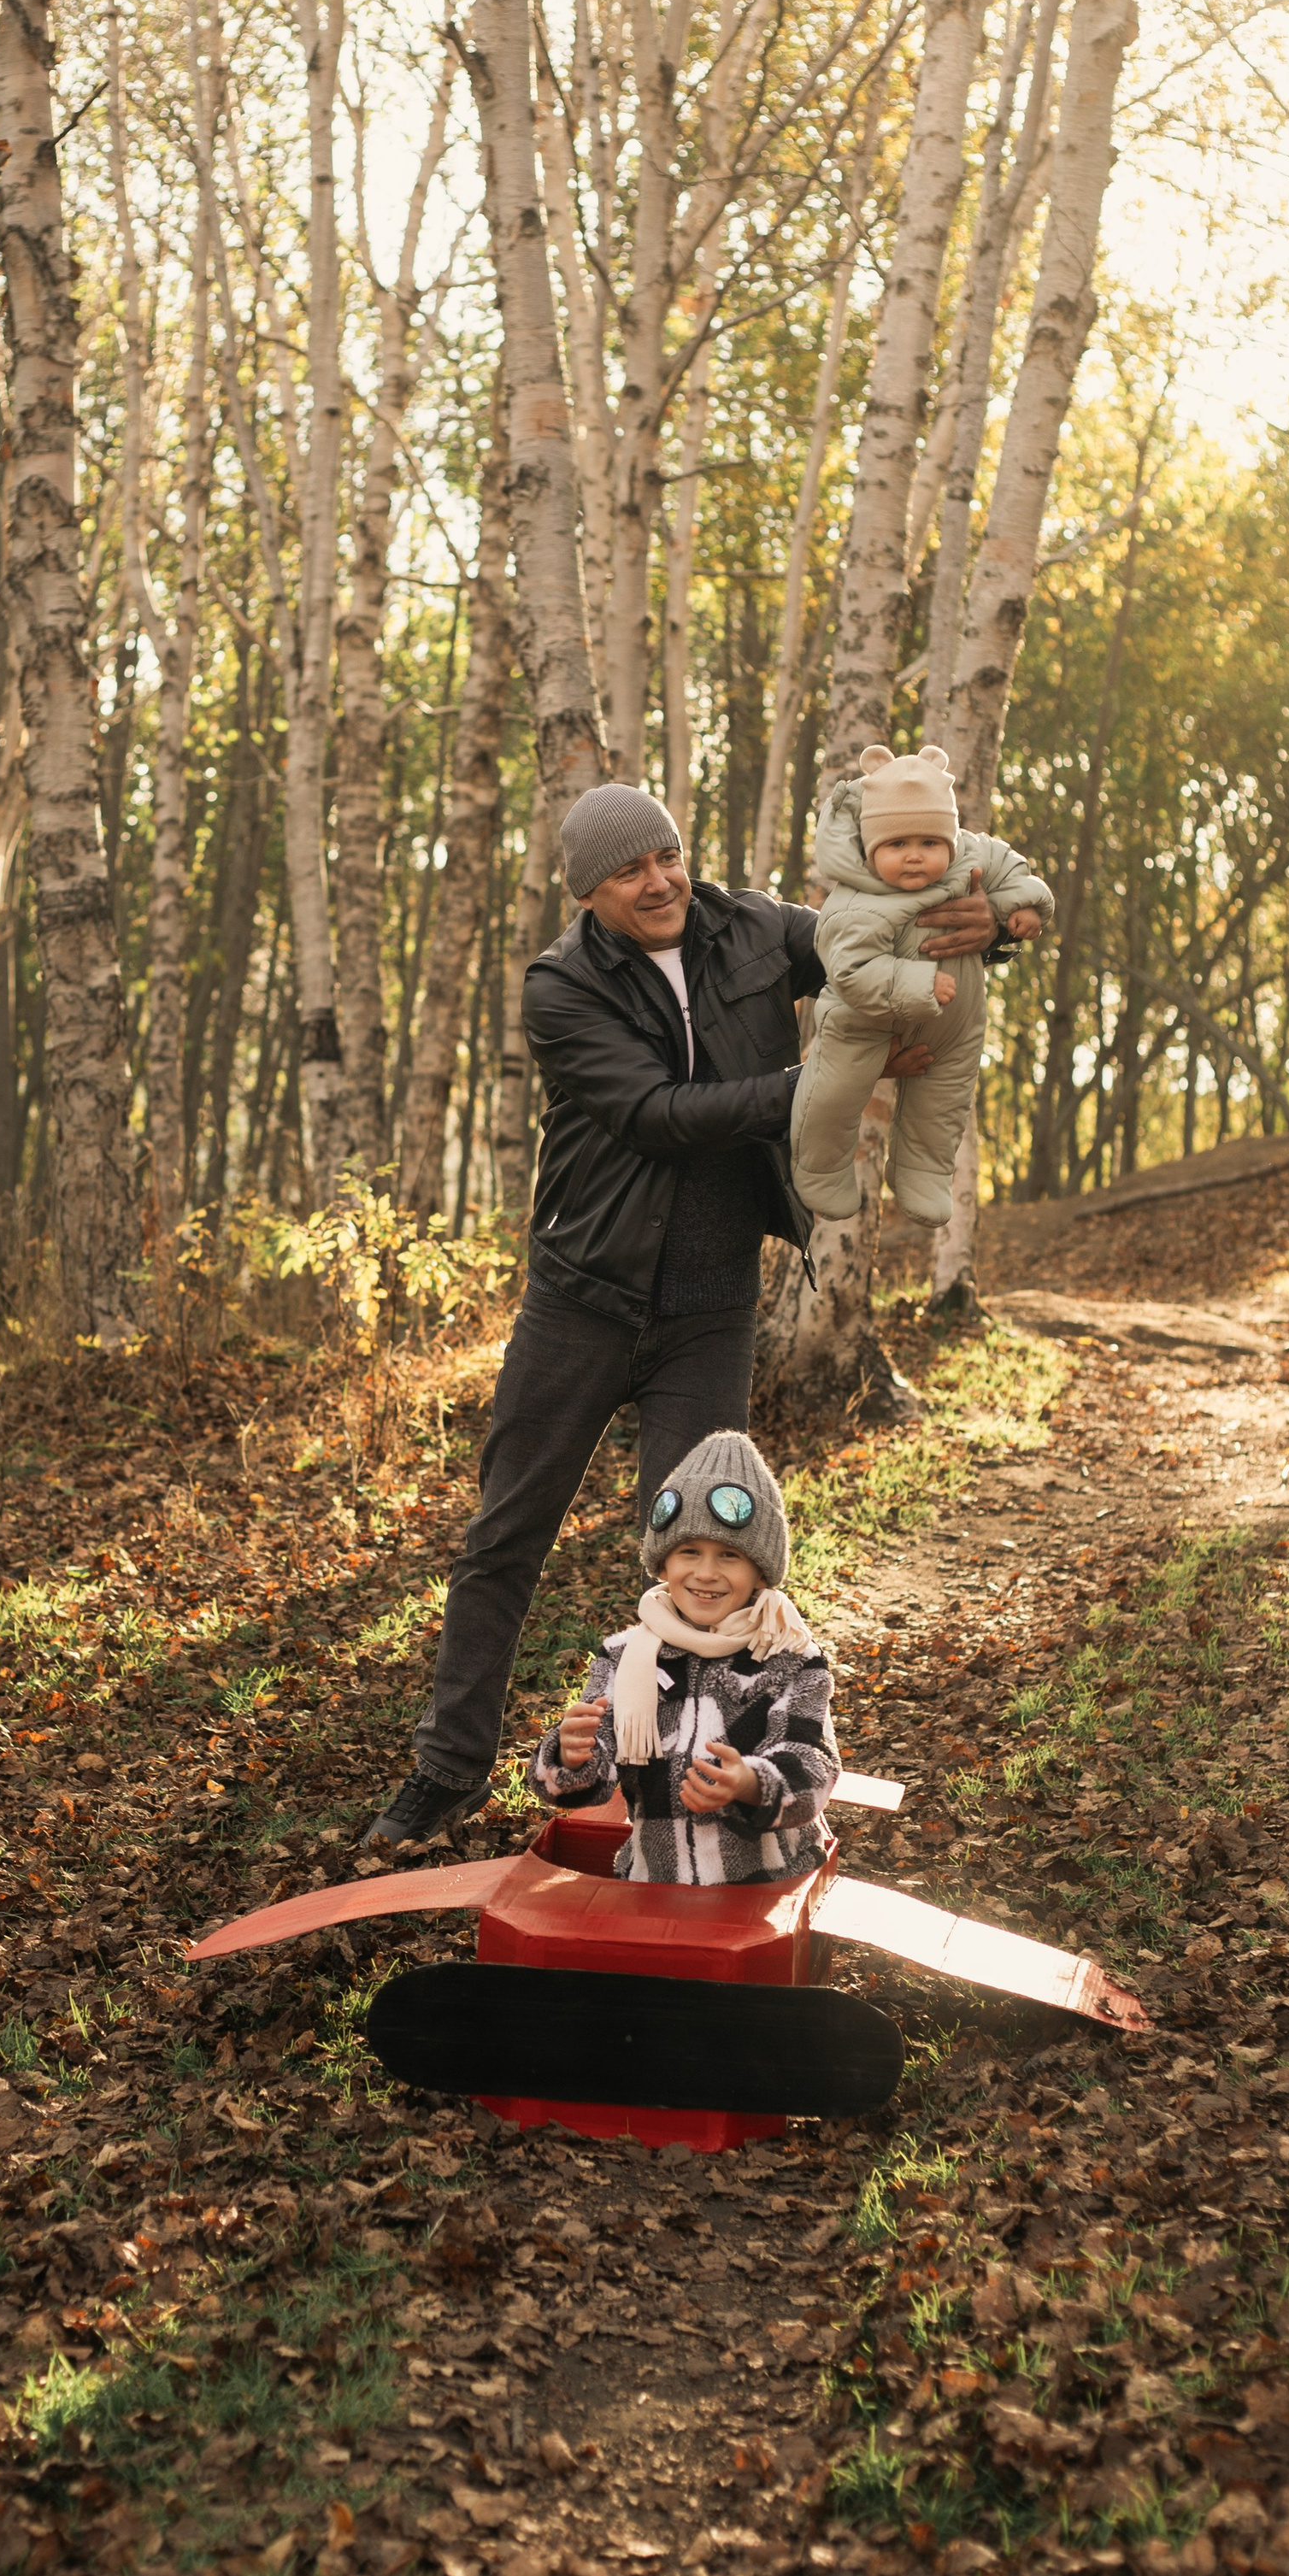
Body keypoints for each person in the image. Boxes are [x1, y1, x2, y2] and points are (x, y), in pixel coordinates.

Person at [365, 779, 1002, 1847]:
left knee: (712, 1550)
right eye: (629, 870)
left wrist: (977, 916)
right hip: (583, 1297)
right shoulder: (561, 988)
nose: (659, 882)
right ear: (589, 893)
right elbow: (659, 1116)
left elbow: (865, 925)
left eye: (667, 856)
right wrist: (824, 1081)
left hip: (711, 1305)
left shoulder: (753, 929)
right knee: (504, 1538)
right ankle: (448, 1768)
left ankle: (729, 1766)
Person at [528, 1432, 838, 1884]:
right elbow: (590, 1777)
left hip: (768, 1883)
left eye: (730, 1556)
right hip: (653, 1880)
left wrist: (752, 1784)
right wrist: (572, 1756)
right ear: (663, 1564)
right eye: (689, 1551)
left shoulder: (789, 1658)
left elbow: (813, 1762)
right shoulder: (625, 1656)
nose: (706, 1573)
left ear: (760, 1573)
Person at [791, 741, 1051, 1226]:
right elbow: (848, 971)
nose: (914, 857)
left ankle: (924, 1173)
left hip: (952, 1025)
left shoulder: (967, 858)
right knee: (833, 1093)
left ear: (950, 840)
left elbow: (1006, 863)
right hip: (865, 1023)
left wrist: (1024, 905)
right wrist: (919, 983)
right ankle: (821, 1169)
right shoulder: (855, 902)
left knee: (944, 1102)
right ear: (871, 849)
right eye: (897, 845)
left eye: (929, 844)